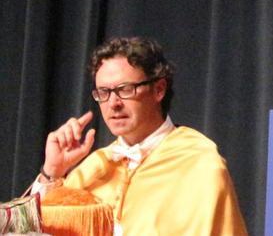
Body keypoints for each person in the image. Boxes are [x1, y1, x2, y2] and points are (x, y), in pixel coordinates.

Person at [32, 36, 248, 234]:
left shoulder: (198, 163)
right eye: (104, 93)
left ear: (159, 90)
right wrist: (51, 172)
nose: (113, 104)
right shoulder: (93, 168)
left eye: (125, 89)